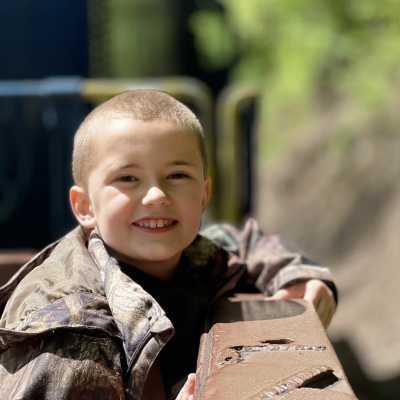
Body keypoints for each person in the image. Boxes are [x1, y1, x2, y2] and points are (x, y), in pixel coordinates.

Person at [0, 90, 337, 400]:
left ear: (203, 194)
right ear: (85, 207)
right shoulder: (71, 339)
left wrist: (299, 276)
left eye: (177, 175)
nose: (157, 195)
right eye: (128, 179)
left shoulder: (192, 251)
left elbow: (238, 242)